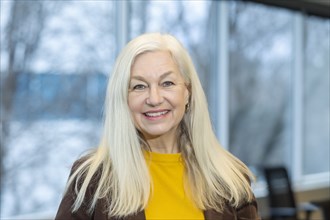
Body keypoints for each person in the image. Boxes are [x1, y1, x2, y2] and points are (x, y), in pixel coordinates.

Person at [55, 33, 260, 220]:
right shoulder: (91, 178)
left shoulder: (230, 177)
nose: (154, 99)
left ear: (187, 92)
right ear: (123, 99)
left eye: (167, 83)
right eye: (139, 86)